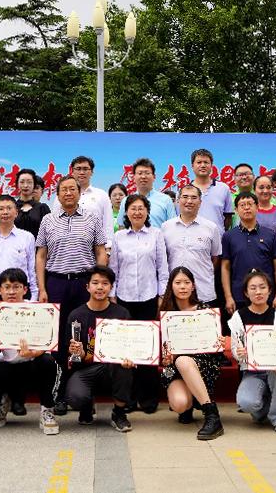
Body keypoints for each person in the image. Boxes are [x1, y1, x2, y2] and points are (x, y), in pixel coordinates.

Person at [36, 175, 108, 413]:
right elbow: (41, 256)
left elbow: (100, 251)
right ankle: (59, 394)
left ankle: (85, 394)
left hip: (83, 284)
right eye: (63, 190)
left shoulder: (92, 217)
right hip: (56, 283)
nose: (68, 193)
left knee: (85, 337)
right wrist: (42, 288)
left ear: (79, 193)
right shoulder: (48, 220)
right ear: (57, 195)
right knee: (58, 340)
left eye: (72, 189)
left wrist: (98, 281)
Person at [0, 268, 62, 434]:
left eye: (16, 287)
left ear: (25, 289)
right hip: (8, 367)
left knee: (48, 362)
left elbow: (46, 346)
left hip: (33, 366)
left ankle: (47, 410)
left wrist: (33, 353)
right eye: (7, 287)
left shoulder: (39, 310)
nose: (11, 292)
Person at [109, 194, 168, 414]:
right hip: (124, 298)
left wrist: (161, 296)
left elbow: (163, 268)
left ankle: (149, 398)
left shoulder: (156, 235)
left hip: (149, 297)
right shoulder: (119, 237)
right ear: (126, 212)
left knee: (147, 347)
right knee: (127, 348)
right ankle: (129, 398)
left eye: (141, 208)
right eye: (132, 208)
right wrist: (112, 296)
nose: (137, 212)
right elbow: (114, 268)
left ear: (147, 212)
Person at [64, 266, 134, 431]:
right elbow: (72, 355)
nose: (100, 287)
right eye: (95, 283)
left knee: (123, 367)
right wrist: (79, 353)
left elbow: (129, 346)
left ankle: (119, 413)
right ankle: (87, 405)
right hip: (86, 369)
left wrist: (130, 358)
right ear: (87, 287)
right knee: (75, 398)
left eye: (105, 283)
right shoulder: (76, 315)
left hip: (112, 367)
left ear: (111, 287)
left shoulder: (122, 314)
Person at [159, 267, 225, 440]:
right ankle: (189, 405)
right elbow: (162, 350)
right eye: (178, 283)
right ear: (171, 286)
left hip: (203, 362)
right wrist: (166, 357)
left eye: (187, 282)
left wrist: (218, 341)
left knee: (183, 361)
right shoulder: (167, 313)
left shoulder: (204, 310)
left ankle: (212, 416)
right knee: (180, 404)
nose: (183, 287)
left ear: (193, 286)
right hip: (175, 367)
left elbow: (214, 346)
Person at [228, 271, 276, 433]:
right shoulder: (238, 316)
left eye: (262, 287)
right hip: (252, 372)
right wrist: (240, 353)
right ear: (246, 292)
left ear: (270, 290)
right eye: (253, 288)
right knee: (247, 404)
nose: (258, 292)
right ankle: (266, 409)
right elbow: (235, 350)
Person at [223, 192, 276, 313]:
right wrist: (228, 296)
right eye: (242, 205)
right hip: (238, 296)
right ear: (236, 210)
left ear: (257, 207)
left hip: (267, 294)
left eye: (250, 204)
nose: (246, 208)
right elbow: (225, 268)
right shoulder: (228, 236)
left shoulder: (271, 234)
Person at [162, 185, 222, 305]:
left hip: (203, 291)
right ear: (178, 200)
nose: (189, 201)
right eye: (185, 197)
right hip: (174, 294)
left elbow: (215, 258)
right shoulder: (166, 227)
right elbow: (163, 259)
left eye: (194, 198)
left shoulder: (211, 227)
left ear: (200, 202)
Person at [49, 156, 114, 245]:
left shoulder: (101, 195)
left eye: (85, 169)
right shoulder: (62, 196)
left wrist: (108, 245)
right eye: (78, 169)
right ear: (72, 171)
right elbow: (55, 222)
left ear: (92, 172)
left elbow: (108, 224)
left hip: (96, 247)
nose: (82, 172)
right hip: (66, 247)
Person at [123, 158, 177, 230]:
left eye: (147, 173)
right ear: (134, 177)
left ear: (154, 177)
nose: (143, 176)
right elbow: (122, 226)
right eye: (140, 173)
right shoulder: (125, 201)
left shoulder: (166, 200)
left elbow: (173, 227)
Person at [190, 149, 233, 230]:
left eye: (206, 162)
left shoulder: (223, 188)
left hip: (217, 236)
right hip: (191, 236)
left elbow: (228, 216)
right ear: (192, 166)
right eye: (199, 162)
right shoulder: (184, 191)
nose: (203, 165)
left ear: (211, 166)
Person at [14, 168, 50, 238]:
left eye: (29, 182)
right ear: (17, 184)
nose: (25, 185)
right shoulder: (12, 207)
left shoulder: (42, 208)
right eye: (22, 182)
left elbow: (49, 234)